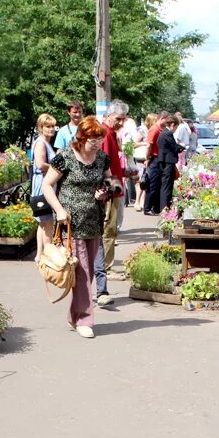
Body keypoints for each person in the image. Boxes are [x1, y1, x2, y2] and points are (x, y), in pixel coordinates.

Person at [41, 116, 115, 339]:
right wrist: (59, 210)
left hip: (94, 220)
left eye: (100, 140)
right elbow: (47, 185)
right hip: (71, 224)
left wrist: (105, 191)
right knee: (81, 273)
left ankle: (74, 316)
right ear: (82, 138)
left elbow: (111, 181)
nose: (97, 145)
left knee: (88, 272)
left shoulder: (102, 158)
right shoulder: (65, 157)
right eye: (93, 141)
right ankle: (85, 319)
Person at [94, 101, 128, 307]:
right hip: (109, 191)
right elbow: (104, 165)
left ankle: (107, 266)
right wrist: (109, 189)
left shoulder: (109, 133)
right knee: (109, 229)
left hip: (113, 188)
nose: (121, 123)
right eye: (118, 119)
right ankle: (106, 267)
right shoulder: (105, 134)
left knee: (111, 229)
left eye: (123, 119)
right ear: (109, 116)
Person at [30, 113, 58, 260]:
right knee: (47, 222)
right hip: (43, 185)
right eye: (48, 126)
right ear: (41, 127)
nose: (51, 129)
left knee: (43, 222)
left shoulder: (43, 142)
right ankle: (48, 253)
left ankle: (40, 254)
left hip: (42, 183)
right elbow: (40, 164)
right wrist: (57, 168)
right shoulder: (41, 143)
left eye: (53, 126)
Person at [143, 111, 170, 215]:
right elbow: (149, 146)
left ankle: (155, 207)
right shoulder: (154, 129)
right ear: (161, 118)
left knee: (158, 184)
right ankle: (147, 208)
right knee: (152, 184)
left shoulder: (161, 129)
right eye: (166, 121)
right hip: (154, 159)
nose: (167, 123)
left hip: (160, 159)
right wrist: (147, 158)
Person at [157, 115, 185, 212]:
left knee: (165, 185)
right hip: (168, 162)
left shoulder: (163, 132)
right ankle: (165, 208)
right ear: (173, 125)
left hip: (164, 161)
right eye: (176, 127)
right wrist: (182, 148)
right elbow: (174, 147)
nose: (176, 130)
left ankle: (164, 207)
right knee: (167, 186)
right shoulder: (168, 134)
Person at [133, 114, 155, 212]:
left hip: (148, 158)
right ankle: (137, 202)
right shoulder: (141, 130)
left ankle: (142, 201)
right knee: (142, 180)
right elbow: (134, 143)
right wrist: (145, 143)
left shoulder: (150, 130)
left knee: (146, 181)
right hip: (141, 158)